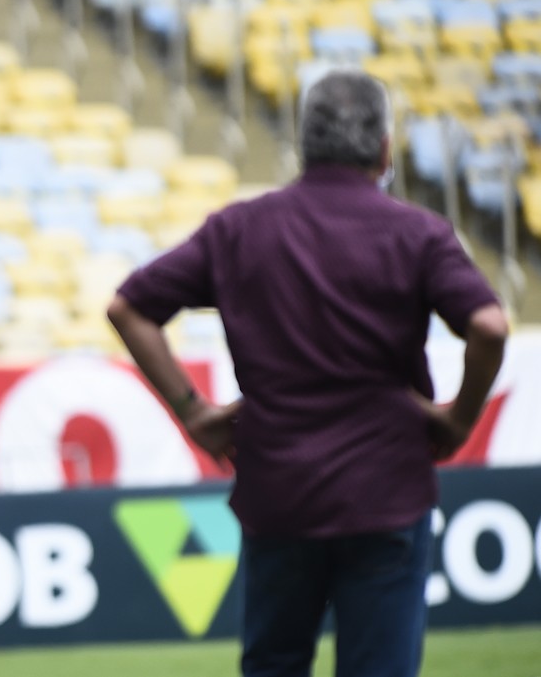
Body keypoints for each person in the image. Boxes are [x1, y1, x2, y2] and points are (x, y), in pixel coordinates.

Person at [106, 70, 508, 677]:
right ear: (384, 149)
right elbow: (490, 327)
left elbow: (128, 308)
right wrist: (457, 419)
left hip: (280, 491)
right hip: (387, 489)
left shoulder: (238, 230)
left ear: (303, 144)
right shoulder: (418, 233)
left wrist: (194, 412)